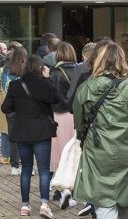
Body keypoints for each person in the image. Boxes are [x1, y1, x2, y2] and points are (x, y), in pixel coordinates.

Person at [73, 43, 128, 219]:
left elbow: (79, 124)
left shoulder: (85, 88)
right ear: (121, 60)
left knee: (104, 203)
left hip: (98, 151)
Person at [2, 55, 58, 218]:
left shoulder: (15, 85)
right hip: (41, 132)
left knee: (26, 168)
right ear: (41, 69)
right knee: (43, 170)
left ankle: (25, 206)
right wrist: (48, 79)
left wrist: (20, 111)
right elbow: (55, 99)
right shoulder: (44, 84)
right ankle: (44, 204)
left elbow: (6, 108)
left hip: (22, 131)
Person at [49, 41, 77, 209]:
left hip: (56, 117)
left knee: (57, 155)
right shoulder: (80, 71)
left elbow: (50, 95)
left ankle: (59, 189)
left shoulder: (54, 72)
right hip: (73, 116)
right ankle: (70, 190)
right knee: (72, 155)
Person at [0, 47, 27, 175]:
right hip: (24, 107)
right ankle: (25, 164)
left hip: (7, 105)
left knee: (8, 134)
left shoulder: (3, 70)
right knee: (25, 137)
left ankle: (11, 162)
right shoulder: (26, 70)